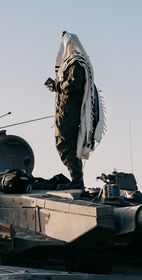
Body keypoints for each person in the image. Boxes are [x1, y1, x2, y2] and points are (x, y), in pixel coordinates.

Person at [45, 31, 105, 190]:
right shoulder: (72, 64)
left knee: (65, 145)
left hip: (69, 113)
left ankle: (77, 179)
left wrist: (57, 85)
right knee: (65, 145)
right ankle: (76, 179)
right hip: (65, 112)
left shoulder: (76, 63)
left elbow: (73, 84)